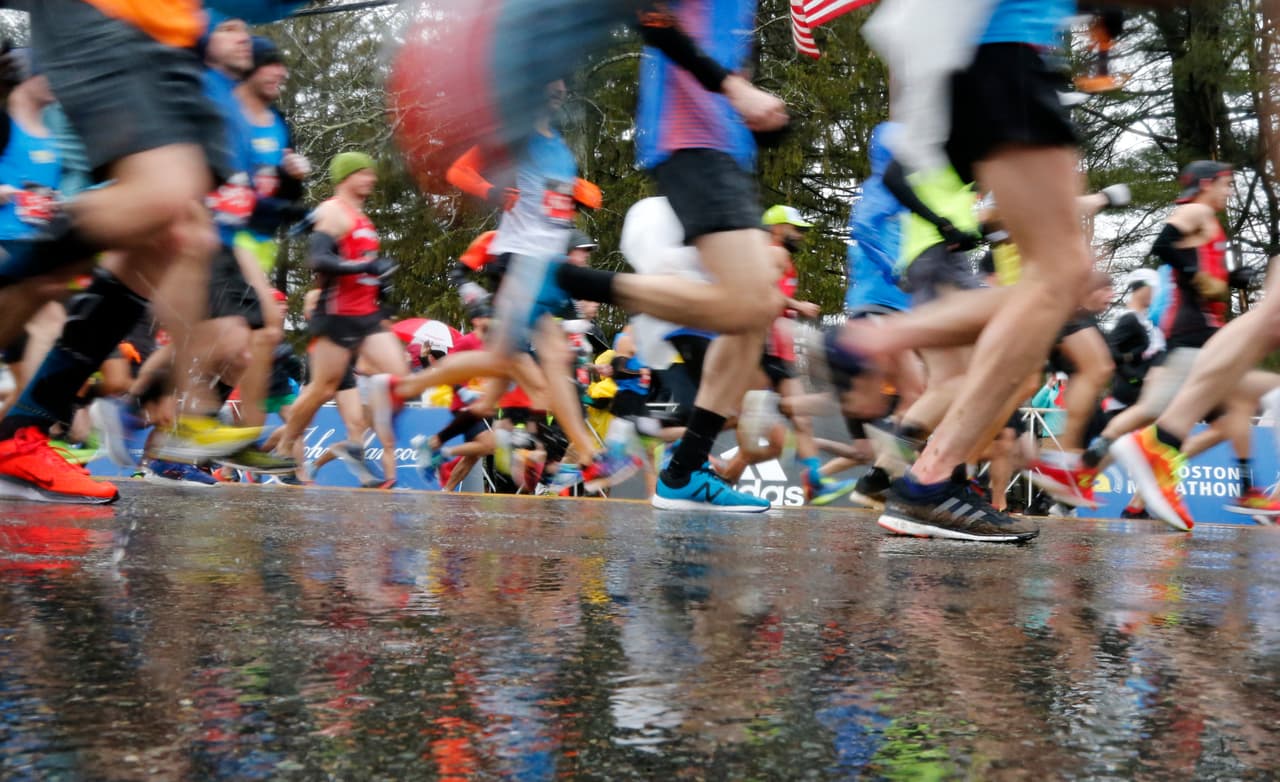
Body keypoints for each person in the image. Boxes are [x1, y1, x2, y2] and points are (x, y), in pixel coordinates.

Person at [0, 2, 288, 504]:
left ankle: (18, 433)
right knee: (161, 201)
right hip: (107, 14)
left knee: (179, 233)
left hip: (160, 40)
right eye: (235, 33)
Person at [1110, 161, 1280, 529]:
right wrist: (1194, 274)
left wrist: (1232, 277)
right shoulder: (1197, 210)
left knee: (1233, 410)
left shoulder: (1208, 221)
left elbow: (1193, 261)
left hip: (1204, 331)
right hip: (1192, 334)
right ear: (1206, 183)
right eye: (1226, 183)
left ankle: (1244, 487)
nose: (1229, 191)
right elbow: (1163, 244)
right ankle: (1091, 466)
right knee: (1159, 411)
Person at [264, 152, 409, 481]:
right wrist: (366, 267)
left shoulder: (364, 219)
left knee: (400, 373)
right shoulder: (333, 211)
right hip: (338, 314)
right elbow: (319, 259)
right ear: (345, 177)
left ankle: (354, 441)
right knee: (321, 389)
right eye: (363, 173)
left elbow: (365, 268)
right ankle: (286, 446)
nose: (371, 179)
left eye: (372, 173)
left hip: (367, 316)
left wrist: (381, 286)